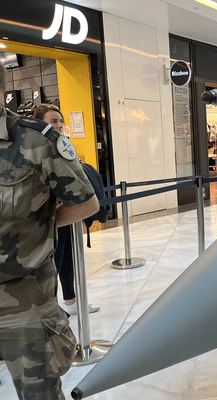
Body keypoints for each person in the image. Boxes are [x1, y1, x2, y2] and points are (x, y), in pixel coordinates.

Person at [0, 63, 99, 399]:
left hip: (24, 300)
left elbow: (87, 203)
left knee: (38, 393)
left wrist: (41, 223)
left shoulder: (35, 140)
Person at [33, 104, 100, 315]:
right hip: (48, 215)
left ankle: (71, 301)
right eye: (54, 121)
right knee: (54, 261)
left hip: (67, 210)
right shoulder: (32, 149)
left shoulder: (61, 144)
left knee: (69, 257)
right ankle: (50, 309)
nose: (60, 125)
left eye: (61, 121)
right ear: (38, 123)